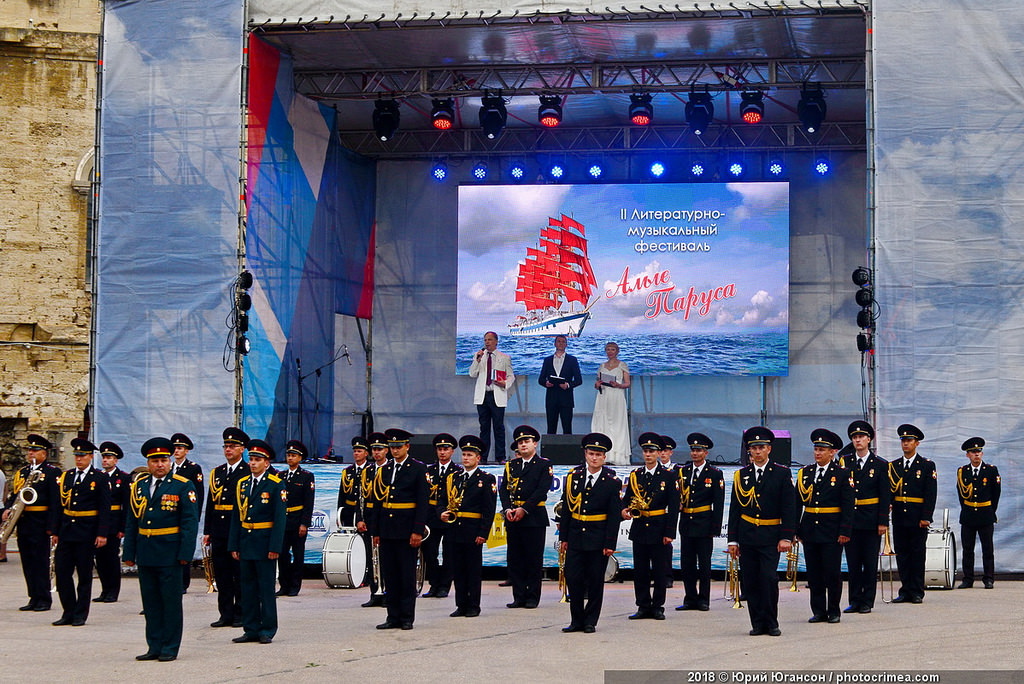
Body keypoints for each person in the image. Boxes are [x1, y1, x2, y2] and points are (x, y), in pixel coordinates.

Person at [123, 437, 199, 662]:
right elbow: (132, 520)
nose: (159, 465)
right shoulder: (139, 485)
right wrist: (129, 552)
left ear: (170, 461)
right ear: (148, 462)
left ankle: (170, 647)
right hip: (146, 551)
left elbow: (189, 522)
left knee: (170, 603)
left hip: (170, 552)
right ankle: (153, 645)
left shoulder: (182, 485)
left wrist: (186, 553)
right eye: (155, 461)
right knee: (151, 602)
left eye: (164, 460)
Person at [727, 426, 795, 637]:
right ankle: (757, 623)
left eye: (761, 447)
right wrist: (733, 541)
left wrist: (786, 536)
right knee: (751, 581)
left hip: (770, 535)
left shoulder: (782, 473)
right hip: (748, 536)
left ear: (769, 449)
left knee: (768, 578)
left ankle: (771, 622)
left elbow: (789, 508)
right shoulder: (742, 475)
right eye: (753, 448)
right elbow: (735, 510)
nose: (757, 452)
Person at [557, 432, 622, 634]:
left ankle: (590, 620)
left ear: (604, 457)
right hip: (576, 536)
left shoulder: (611, 481)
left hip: (598, 537)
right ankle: (576, 620)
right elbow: (567, 509)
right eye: (591, 453)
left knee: (595, 581)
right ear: (585, 454)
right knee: (574, 579)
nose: (594, 458)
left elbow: (614, 515)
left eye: (598, 454)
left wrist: (610, 543)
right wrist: (564, 537)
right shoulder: (573, 477)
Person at [368, 428, 429, 630]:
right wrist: (375, 531)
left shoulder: (418, 468)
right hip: (387, 530)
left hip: (407, 529)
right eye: (392, 447)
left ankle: (406, 617)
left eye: (398, 447)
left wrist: (417, 531)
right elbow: (377, 502)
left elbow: (422, 502)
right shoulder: (384, 469)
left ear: (407, 447)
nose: (394, 450)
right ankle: (392, 616)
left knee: (406, 575)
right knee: (390, 575)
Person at [229, 439, 286, 644]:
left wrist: (275, 547)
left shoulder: (275, 484)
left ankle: (267, 628)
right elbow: (237, 516)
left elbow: (280, 519)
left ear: (266, 463)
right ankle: (250, 628)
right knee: (248, 587)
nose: (253, 463)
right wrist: (234, 544)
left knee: (265, 588)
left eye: (257, 460)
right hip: (246, 542)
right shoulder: (242, 484)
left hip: (264, 543)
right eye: (251, 459)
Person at [794, 429, 854, 624]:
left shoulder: (842, 474)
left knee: (832, 573)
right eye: (816, 449)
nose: (818, 453)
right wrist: (795, 529)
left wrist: (845, 530)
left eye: (822, 450)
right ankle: (818, 610)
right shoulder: (806, 473)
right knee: (814, 573)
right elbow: (796, 503)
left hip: (832, 530)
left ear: (832, 452)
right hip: (810, 529)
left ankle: (833, 610)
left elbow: (848, 505)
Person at [51, 438, 111, 627]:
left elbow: (105, 507)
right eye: (76, 455)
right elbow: (59, 505)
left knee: (84, 575)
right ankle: (68, 611)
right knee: (62, 573)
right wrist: (55, 531)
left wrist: (102, 533)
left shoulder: (99, 478)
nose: (78, 459)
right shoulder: (67, 476)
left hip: (87, 531)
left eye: (82, 456)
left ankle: (80, 614)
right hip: (68, 530)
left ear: (90, 457)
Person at [622, 433, 679, 621]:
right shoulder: (636, 475)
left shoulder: (668, 477)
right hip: (640, 528)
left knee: (660, 571)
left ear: (659, 453)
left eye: (652, 451)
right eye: (645, 451)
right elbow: (627, 498)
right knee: (640, 570)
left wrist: (670, 532)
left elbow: (673, 506)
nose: (648, 454)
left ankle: (658, 606)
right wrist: (625, 510)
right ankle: (643, 605)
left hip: (659, 527)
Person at [441, 435, 496, 618]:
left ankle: (473, 605)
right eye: (464, 454)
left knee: (472, 569)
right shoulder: (454, 477)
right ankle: (461, 604)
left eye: (470, 455)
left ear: (478, 458)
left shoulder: (486, 479)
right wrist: (441, 512)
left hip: (473, 530)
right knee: (458, 569)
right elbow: (442, 501)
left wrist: (483, 533)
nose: (466, 458)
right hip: (454, 529)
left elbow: (489, 509)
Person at [3, 434, 60, 611]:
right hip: (24, 522)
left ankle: (44, 598)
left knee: (40, 561)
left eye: (35, 451)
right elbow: (15, 495)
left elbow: (56, 502)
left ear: (44, 453)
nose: (31, 453)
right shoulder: (23, 472)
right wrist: (8, 508)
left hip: (41, 522)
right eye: (30, 450)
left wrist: (52, 527)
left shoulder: (52, 472)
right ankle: (33, 597)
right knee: (27, 561)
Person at [499, 425, 553, 609]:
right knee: (515, 558)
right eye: (520, 442)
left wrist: (524, 509)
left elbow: (541, 490)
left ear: (535, 444)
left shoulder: (544, 464)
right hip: (513, 517)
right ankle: (518, 596)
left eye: (526, 442)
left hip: (533, 517)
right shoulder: (511, 465)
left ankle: (532, 597)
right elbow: (504, 489)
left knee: (533, 559)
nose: (523, 445)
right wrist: (507, 509)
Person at [838, 420, 889, 614]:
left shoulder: (880, 464)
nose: (858, 440)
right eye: (854, 437)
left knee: (869, 563)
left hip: (870, 519)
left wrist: (883, 521)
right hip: (851, 520)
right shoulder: (845, 462)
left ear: (869, 439)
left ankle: (867, 600)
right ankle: (854, 600)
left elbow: (885, 495)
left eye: (861, 437)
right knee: (852, 563)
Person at [204, 427, 250, 628]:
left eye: (232, 446)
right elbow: (210, 504)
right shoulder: (218, 472)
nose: (228, 449)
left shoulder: (248, 471)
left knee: (239, 574)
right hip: (219, 530)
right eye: (226, 446)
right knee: (221, 575)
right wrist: (207, 531)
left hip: (237, 528)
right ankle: (225, 613)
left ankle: (241, 613)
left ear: (242, 449)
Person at [675, 432, 725, 612]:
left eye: (699, 450)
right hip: (687, 523)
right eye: (693, 450)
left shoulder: (714, 473)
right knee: (687, 564)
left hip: (704, 524)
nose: (695, 453)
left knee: (704, 564)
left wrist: (715, 527)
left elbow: (718, 503)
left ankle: (704, 599)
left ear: (706, 453)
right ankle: (690, 598)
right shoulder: (683, 471)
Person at [888, 423, 936, 604]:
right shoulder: (894, 466)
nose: (905, 444)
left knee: (917, 554)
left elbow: (930, 493)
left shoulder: (926, 465)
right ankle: (905, 590)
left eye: (909, 440)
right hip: (900, 516)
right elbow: (889, 492)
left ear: (917, 443)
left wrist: (926, 516)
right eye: (903, 440)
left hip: (917, 517)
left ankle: (917, 591)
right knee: (902, 554)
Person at [956, 437, 1000, 589]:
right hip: (968, 515)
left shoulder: (991, 470)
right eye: (973, 452)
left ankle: (988, 578)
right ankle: (968, 579)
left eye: (979, 451)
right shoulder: (963, 471)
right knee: (968, 549)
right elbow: (961, 494)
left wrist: (990, 511)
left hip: (985, 514)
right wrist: (968, 508)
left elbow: (996, 494)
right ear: (967, 455)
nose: (976, 454)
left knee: (987, 548)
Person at [422, 433, 463, 598]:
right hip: (431, 516)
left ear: (452, 451)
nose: (442, 452)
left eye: (446, 449)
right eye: (439, 449)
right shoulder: (428, 470)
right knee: (429, 552)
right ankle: (433, 584)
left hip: (450, 516)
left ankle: (445, 585)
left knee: (449, 553)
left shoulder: (458, 471)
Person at [469, 331, 516, 462]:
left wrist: (505, 383)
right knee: (484, 428)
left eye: (489, 340)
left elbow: (511, 375)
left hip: (497, 395)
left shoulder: (504, 357)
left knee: (498, 427)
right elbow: (472, 374)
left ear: (496, 341)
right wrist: (477, 360)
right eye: (485, 340)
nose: (487, 342)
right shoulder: (479, 356)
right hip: (483, 396)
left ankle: (500, 457)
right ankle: (482, 457)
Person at [356, 432, 390, 607]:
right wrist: (360, 519)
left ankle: (387, 593)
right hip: (369, 518)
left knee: (385, 558)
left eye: (380, 449)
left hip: (386, 518)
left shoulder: (390, 469)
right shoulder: (367, 470)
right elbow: (360, 497)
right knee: (371, 558)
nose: (376, 453)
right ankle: (374, 592)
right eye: (374, 449)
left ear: (386, 451)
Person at [277, 440, 315, 597]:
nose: (290, 458)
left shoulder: (306, 476)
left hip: (298, 520)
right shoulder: (280, 475)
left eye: (293, 456)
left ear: (300, 458)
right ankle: (284, 585)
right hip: (283, 521)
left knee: (298, 555)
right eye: (288, 455)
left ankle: (295, 586)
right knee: (282, 554)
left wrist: (304, 523)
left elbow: (308, 502)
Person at [94, 441, 130, 603]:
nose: (105, 460)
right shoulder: (98, 477)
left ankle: (113, 591)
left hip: (114, 523)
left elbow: (127, 505)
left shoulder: (123, 478)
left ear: (116, 460)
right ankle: (104, 590)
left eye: (109, 458)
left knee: (112, 559)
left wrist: (123, 527)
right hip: (100, 523)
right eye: (104, 457)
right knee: (100, 560)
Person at [170, 432, 204, 594]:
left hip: (185, 515)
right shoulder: (168, 467)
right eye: (175, 448)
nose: (176, 451)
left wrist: (194, 517)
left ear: (186, 451)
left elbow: (198, 494)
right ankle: (173, 580)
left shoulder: (192, 468)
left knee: (184, 547)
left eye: (180, 448)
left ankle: (183, 583)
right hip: (170, 515)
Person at [590, 341, 631, 465]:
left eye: (612, 349)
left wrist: (618, 385)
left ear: (617, 351)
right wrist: (597, 385)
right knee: (603, 423)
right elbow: (597, 383)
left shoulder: (622, 365)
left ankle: (618, 456)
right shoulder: (602, 366)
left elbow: (627, 383)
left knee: (617, 424)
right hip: (604, 396)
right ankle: (603, 454)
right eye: (608, 349)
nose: (610, 352)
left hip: (617, 396)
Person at [538, 334, 583, 434]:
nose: (561, 343)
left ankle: (567, 450)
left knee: (567, 429)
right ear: (555, 343)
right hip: (551, 399)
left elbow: (579, 380)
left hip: (566, 399)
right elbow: (540, 379)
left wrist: (568, 385)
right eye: (559, 341)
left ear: (566, 344)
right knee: (551, 428)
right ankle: (550, 450)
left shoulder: (572, 360)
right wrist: (546, 383)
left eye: (563, 342)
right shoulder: (547, 360)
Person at [658, 435, 682, 589]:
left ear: (671, 452)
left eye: (666, 451)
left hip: (671, 510)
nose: (663, 454)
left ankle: (667, 576)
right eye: (661, 450)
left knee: (667, 544)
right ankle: (658, 575)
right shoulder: (655, 469)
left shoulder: (678, 470)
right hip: (657, 510)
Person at [338, 436, 370, 527]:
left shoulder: (370, 470)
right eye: (355, 451)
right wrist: (339, 513)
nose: (356, 454)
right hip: (349, 511)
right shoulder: (347, 471)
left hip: (365, 513)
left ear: (366, 453)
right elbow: (342, 495)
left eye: (359, 451)